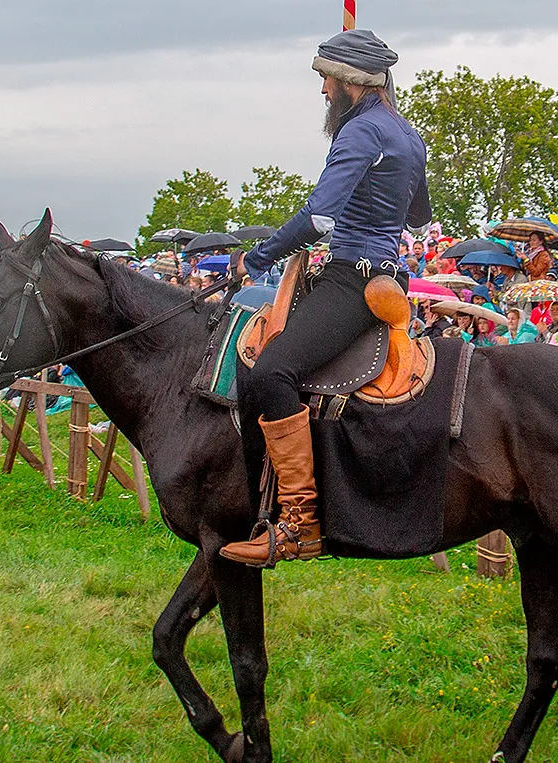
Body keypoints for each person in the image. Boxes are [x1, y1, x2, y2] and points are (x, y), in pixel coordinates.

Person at [223, 28, 432, 567]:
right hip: (386, 273)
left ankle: (299, 524)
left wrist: (260, 256)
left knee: (272, 371)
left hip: (353, 280)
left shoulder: (360, 132)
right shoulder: (409, 136)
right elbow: (419, 217)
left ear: (349, 82)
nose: (322, 92)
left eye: (325, 80)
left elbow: (320, 216)